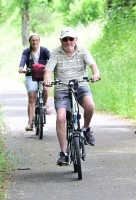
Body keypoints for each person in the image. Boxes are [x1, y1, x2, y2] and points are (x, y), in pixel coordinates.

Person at [43, 27, 100, 165]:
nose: (68, 42)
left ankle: (86, 129)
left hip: (80, 85)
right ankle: (63, 153)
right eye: (65, 39)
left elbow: (93, 65)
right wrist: (47, 78)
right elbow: (48, 70)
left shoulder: (83, 50)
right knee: (61, 117)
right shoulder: (56, 53)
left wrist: (95, 74)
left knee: (90, 106)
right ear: (61, 40)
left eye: (71, 39)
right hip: (62, 88)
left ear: (76, 39)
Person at [18, 33, 51, 131]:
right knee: (32, 97)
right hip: (30, 75)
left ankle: (44, 104)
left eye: (36, 40)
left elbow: (52, 60)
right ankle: (30, 123)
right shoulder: (27, 51)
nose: (34, 42)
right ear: (29, 42)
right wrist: (21, 67)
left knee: (46, 88)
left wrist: (53, 68)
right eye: (32, 40)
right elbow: (23, 60)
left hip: (44, 75)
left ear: (39, 41)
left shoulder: (44, 50)